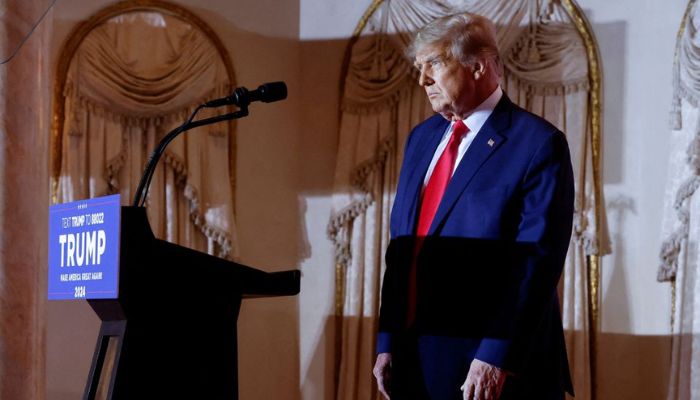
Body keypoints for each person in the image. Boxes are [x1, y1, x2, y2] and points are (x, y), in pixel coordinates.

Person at [372, 12, 575, 400]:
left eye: (433, 64)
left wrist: (495, 355)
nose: (422, 79)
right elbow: (402, 249)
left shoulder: (537, 143)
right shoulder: (421, 138)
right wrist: (387, 339)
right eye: (419, 66)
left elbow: (536, 261)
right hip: (414, 355)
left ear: (478, 66)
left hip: (490, 364)